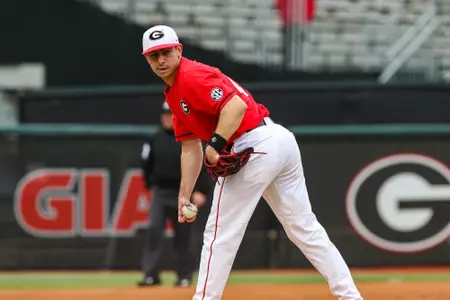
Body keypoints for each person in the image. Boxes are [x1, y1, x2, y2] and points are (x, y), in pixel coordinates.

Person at [141, 25, 363, 299]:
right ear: (147, 60)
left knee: (219, 233)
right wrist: (184, 194)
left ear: (178, 50)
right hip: (276, 141)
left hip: (253, 144)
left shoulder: (191, 76)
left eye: (165, 52)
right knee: (304, 229)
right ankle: (350, 296)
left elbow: (236, 107)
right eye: (153, 56)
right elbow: (190, 148)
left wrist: (216, 144)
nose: (161, 60)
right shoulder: (175, 96)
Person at [137, 100, 210, 287]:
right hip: (161, 193)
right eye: (164, 115)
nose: (167, 119)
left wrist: (201, 190)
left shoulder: (188, 136)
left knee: (183, 236)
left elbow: (200, 166)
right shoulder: (154, 139)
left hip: (184, 194)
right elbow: (146, 165)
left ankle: (184, 275)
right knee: (154, 230)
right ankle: (150, 275)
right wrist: (150, 184)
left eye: (170, 115)